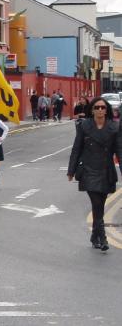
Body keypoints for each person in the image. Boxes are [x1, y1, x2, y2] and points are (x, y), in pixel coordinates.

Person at [67, 96, 122, 252]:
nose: (100, 110)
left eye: (103, 107)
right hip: (89, 169)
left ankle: (94, 236)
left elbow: (119, 151)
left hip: (106, 170)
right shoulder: (85, 126)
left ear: (107, 110)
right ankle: (103, 237)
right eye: (97, 107)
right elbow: (76, 148)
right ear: (92, 110)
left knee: (100, 204)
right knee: (96, 202)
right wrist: (71, 170)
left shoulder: (114, 127)